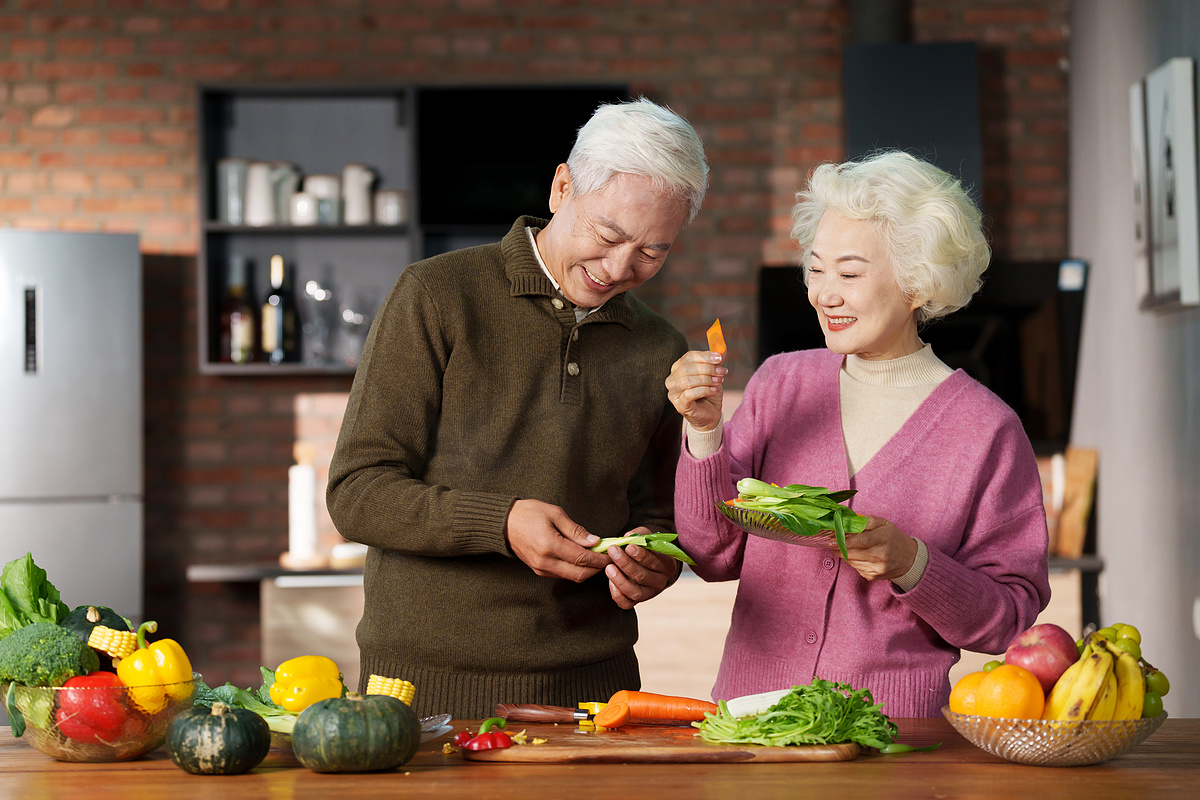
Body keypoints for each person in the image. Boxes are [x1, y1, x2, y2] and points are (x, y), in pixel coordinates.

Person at [326, 98, 709, 718]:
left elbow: (657, 511)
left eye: (652, 252)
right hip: (426, 691)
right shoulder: (436, 295)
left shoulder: (659, 346)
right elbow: (356, 493)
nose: (618, 268)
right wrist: (500, 523)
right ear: (562, 187)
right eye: (608, 235)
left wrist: (653, 558)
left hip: (597, 691)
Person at [665, 150, 1050, 718]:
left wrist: (911, 563)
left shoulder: (986, 430)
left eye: (849, 273)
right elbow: (712, 555)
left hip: (890, 735)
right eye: (816, 269)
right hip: (752, 724)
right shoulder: (781, 384)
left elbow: (1008, 618)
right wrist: (703, 432)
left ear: (919, 283)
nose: (824, 293)